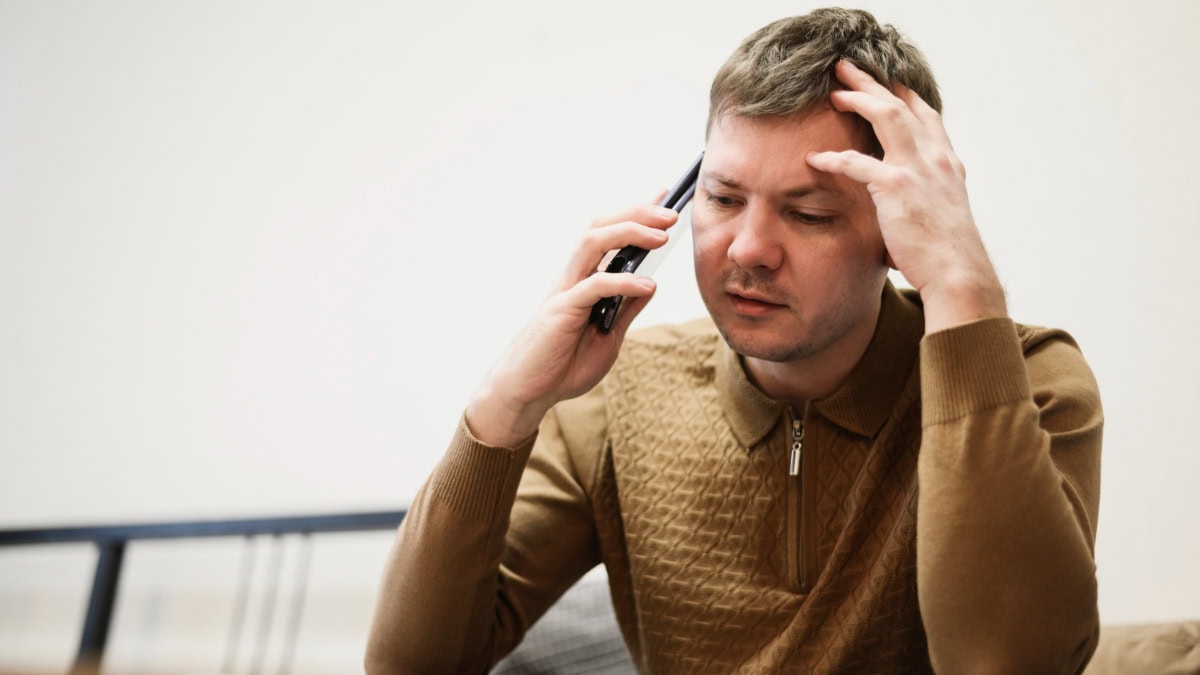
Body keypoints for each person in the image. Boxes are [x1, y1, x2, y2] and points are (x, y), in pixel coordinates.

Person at [365, 7, 1103, 673]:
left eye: (808, 213)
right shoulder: (617, 398)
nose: (747, 248)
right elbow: (409, 666)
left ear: (898, 223)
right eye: (721, 198)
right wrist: (506, 404)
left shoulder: (1030, 379)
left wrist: (961, 283)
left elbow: (1010, 661)